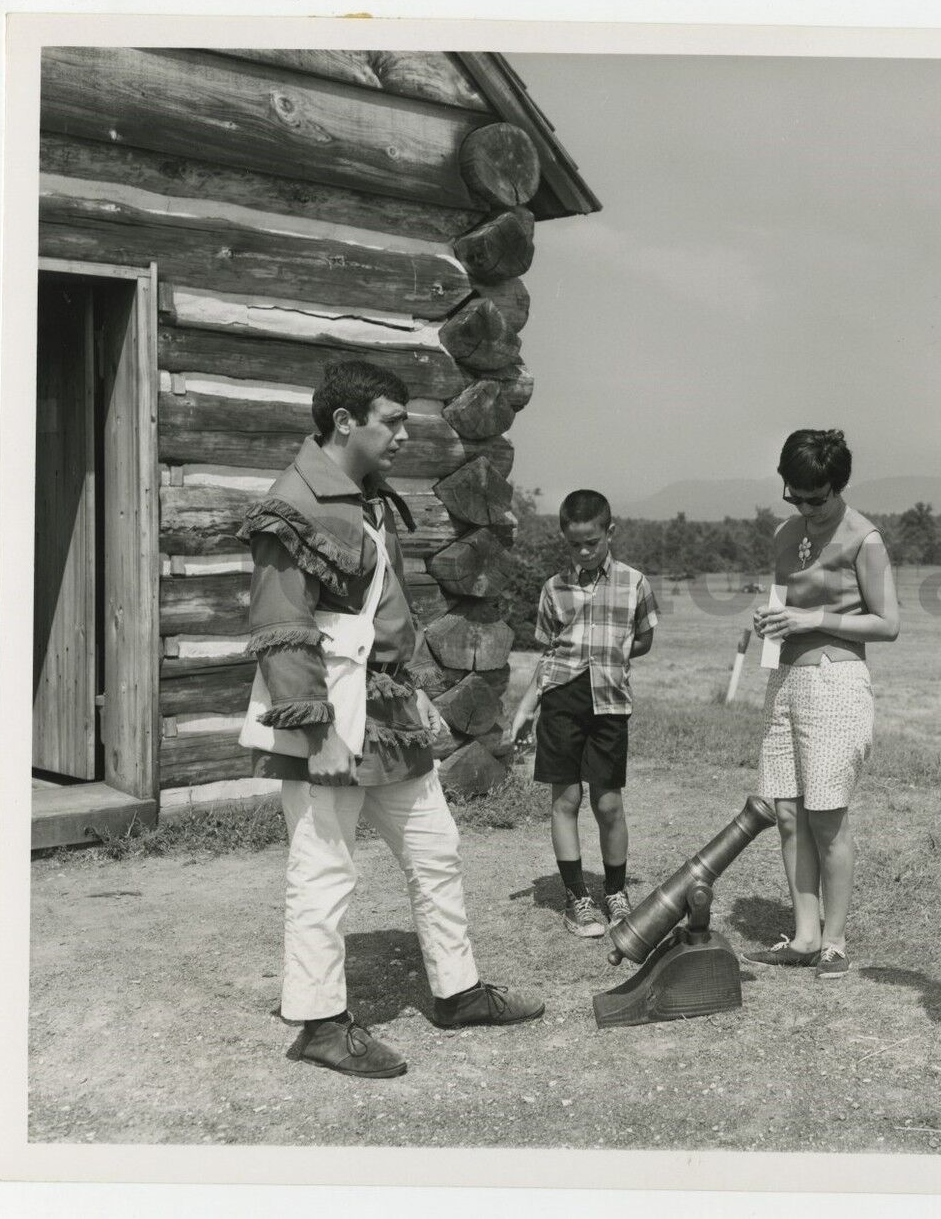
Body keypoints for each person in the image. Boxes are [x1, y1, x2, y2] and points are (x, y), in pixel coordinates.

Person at [239, 360, 543, 1080]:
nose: (405, 434)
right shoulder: (294, 502)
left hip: (385, 708)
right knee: (324, 865)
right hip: (326, 712)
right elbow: (282, 625)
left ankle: (458, 990)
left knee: (436, 844)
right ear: (345, 421)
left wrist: (411, 693)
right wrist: (317, 734)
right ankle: (318, 1022)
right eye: (393, 420)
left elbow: (380, 619)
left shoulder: (371, 499)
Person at [741, 429, 900, 981]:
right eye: (795, 496)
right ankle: (804, 935)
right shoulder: (786, 534)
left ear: (839, 487)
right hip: (784, 679)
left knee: (826, 816)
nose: (806, 508)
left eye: (817, 498)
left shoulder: (864, 538)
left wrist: (814, 621)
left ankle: (833, 940)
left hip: (836, 683)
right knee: (787, 813)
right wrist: (768, 622)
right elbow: (784, 605)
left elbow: (888, 623)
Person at [509, 490, 659, 938]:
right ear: (564, 539)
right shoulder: (553, 590)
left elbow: (644, 638)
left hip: (609, 704)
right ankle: (577, 897)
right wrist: (525, 708)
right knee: (566, 800)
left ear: (610, 533)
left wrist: (610, 656)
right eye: (574, 544)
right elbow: (549, 655)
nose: (583, 551)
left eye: (592, 542)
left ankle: (615, 893)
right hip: (561, 704)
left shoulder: (634, 583)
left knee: (608, 802)